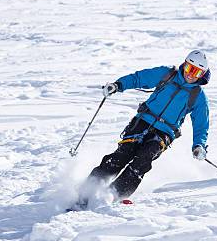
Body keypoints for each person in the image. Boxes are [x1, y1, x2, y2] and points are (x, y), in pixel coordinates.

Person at [79, 50, 210, 206]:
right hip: (142, 121)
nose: (191, 75)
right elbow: (139, 78)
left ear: (202, 74)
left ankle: (113, 194)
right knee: (122, 154)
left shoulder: (198, 97)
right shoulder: (167, 74)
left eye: (197, 72)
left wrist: (199, 145)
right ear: (184, 65)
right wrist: (118, 85)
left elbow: (201, 124)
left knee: (143, 159)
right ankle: (87, 191)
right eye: (189, 68)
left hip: (164, 133)